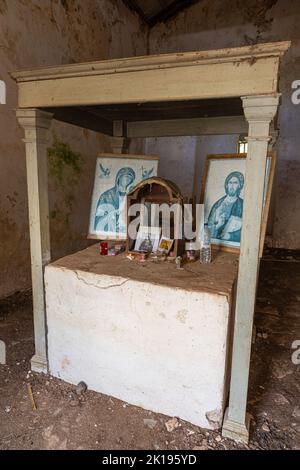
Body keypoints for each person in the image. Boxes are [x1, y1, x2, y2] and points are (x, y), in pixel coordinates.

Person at [94, 167, 136, 233]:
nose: (127, 179)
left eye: (130, 177)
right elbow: (99, 218)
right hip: (109, 232)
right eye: (125, 176)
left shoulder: (133, 196)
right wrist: (112, 214)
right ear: (119, 177)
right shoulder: (106, 195)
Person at [207, 171, 244, 243]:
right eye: (230, 182)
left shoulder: (243, 205)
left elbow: (247, 228)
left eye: (235, 183)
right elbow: (209, 227)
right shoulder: (218, 205)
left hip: (233, 245)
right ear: (227, 185)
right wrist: (217, 226)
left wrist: (230, 236)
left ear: (240, 185)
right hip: (215, 243)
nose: (232, 186)